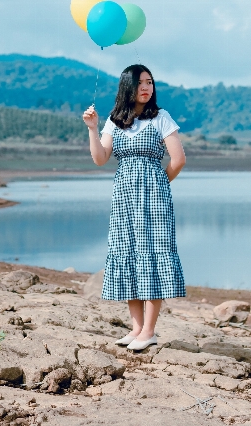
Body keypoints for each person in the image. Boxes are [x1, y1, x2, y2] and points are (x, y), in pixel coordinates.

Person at [82, 64, 186, 351]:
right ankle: (136, 329)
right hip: (123, 197)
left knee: (152, 256)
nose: (146, 88)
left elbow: (177, 160)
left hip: (154, 199)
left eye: (150, 82)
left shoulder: (161, 117)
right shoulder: (115, 121)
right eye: (141, 83)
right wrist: (92, 128)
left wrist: (158, 186)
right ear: (127, 87)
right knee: (127, 253)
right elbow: (101, 158)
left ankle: (149, 331)